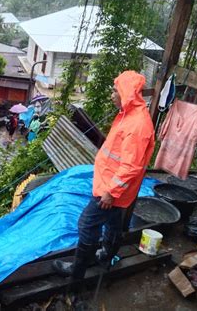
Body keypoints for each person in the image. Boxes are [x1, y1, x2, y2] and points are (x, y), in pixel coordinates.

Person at [53, 70, 155, 280]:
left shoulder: (137, 125)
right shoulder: (129, 115)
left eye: (115, 91)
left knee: (86, 224)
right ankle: (106, 256)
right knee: (113, 223)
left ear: (125, 93)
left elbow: (131, 166)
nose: (111, 95)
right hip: (110, 185)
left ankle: (78, 272)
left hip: (110, 190)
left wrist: (111, 192)